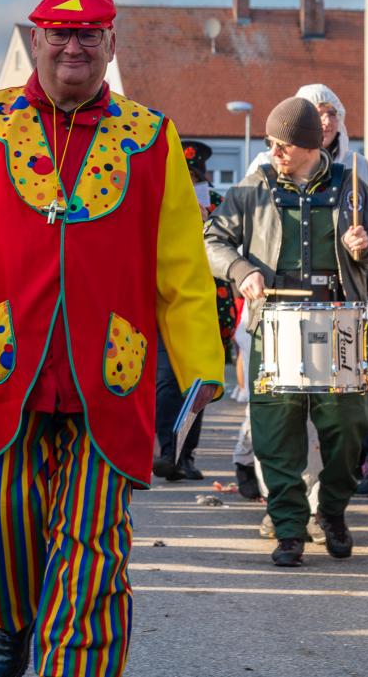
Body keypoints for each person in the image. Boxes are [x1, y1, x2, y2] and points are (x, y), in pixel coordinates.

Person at [0, 0, 224, 677]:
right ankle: (11, 626)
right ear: (36, 41)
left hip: (110, 370)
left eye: (89, 36)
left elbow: (184, 265)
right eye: (59, 36)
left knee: (92, 546)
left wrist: (200, 365)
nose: (74, 48)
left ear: (111, 46)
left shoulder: (151, 138)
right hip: (0, 361)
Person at [206, 96, 368, 568]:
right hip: (273, 320)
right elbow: (213, 239)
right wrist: (242, 269)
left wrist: (367, 244)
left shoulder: (351, 187)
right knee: (275, 432)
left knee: (349, 426)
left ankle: (330, 511)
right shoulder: (253, 188)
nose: (274, 152)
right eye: (270, 143)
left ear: (307, 144)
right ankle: (289, 529)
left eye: (281, 144)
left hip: (338, 319)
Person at [152, 140, 238, 482]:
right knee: (164, 382)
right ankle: (165, 451)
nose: (188, 181)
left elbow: (233, 246)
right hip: (166, 303)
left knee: (199, 384)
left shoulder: (219, 205)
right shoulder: (160, 202)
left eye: (193, 176)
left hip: (210, 304)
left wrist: (206, 225)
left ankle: (185, 454)